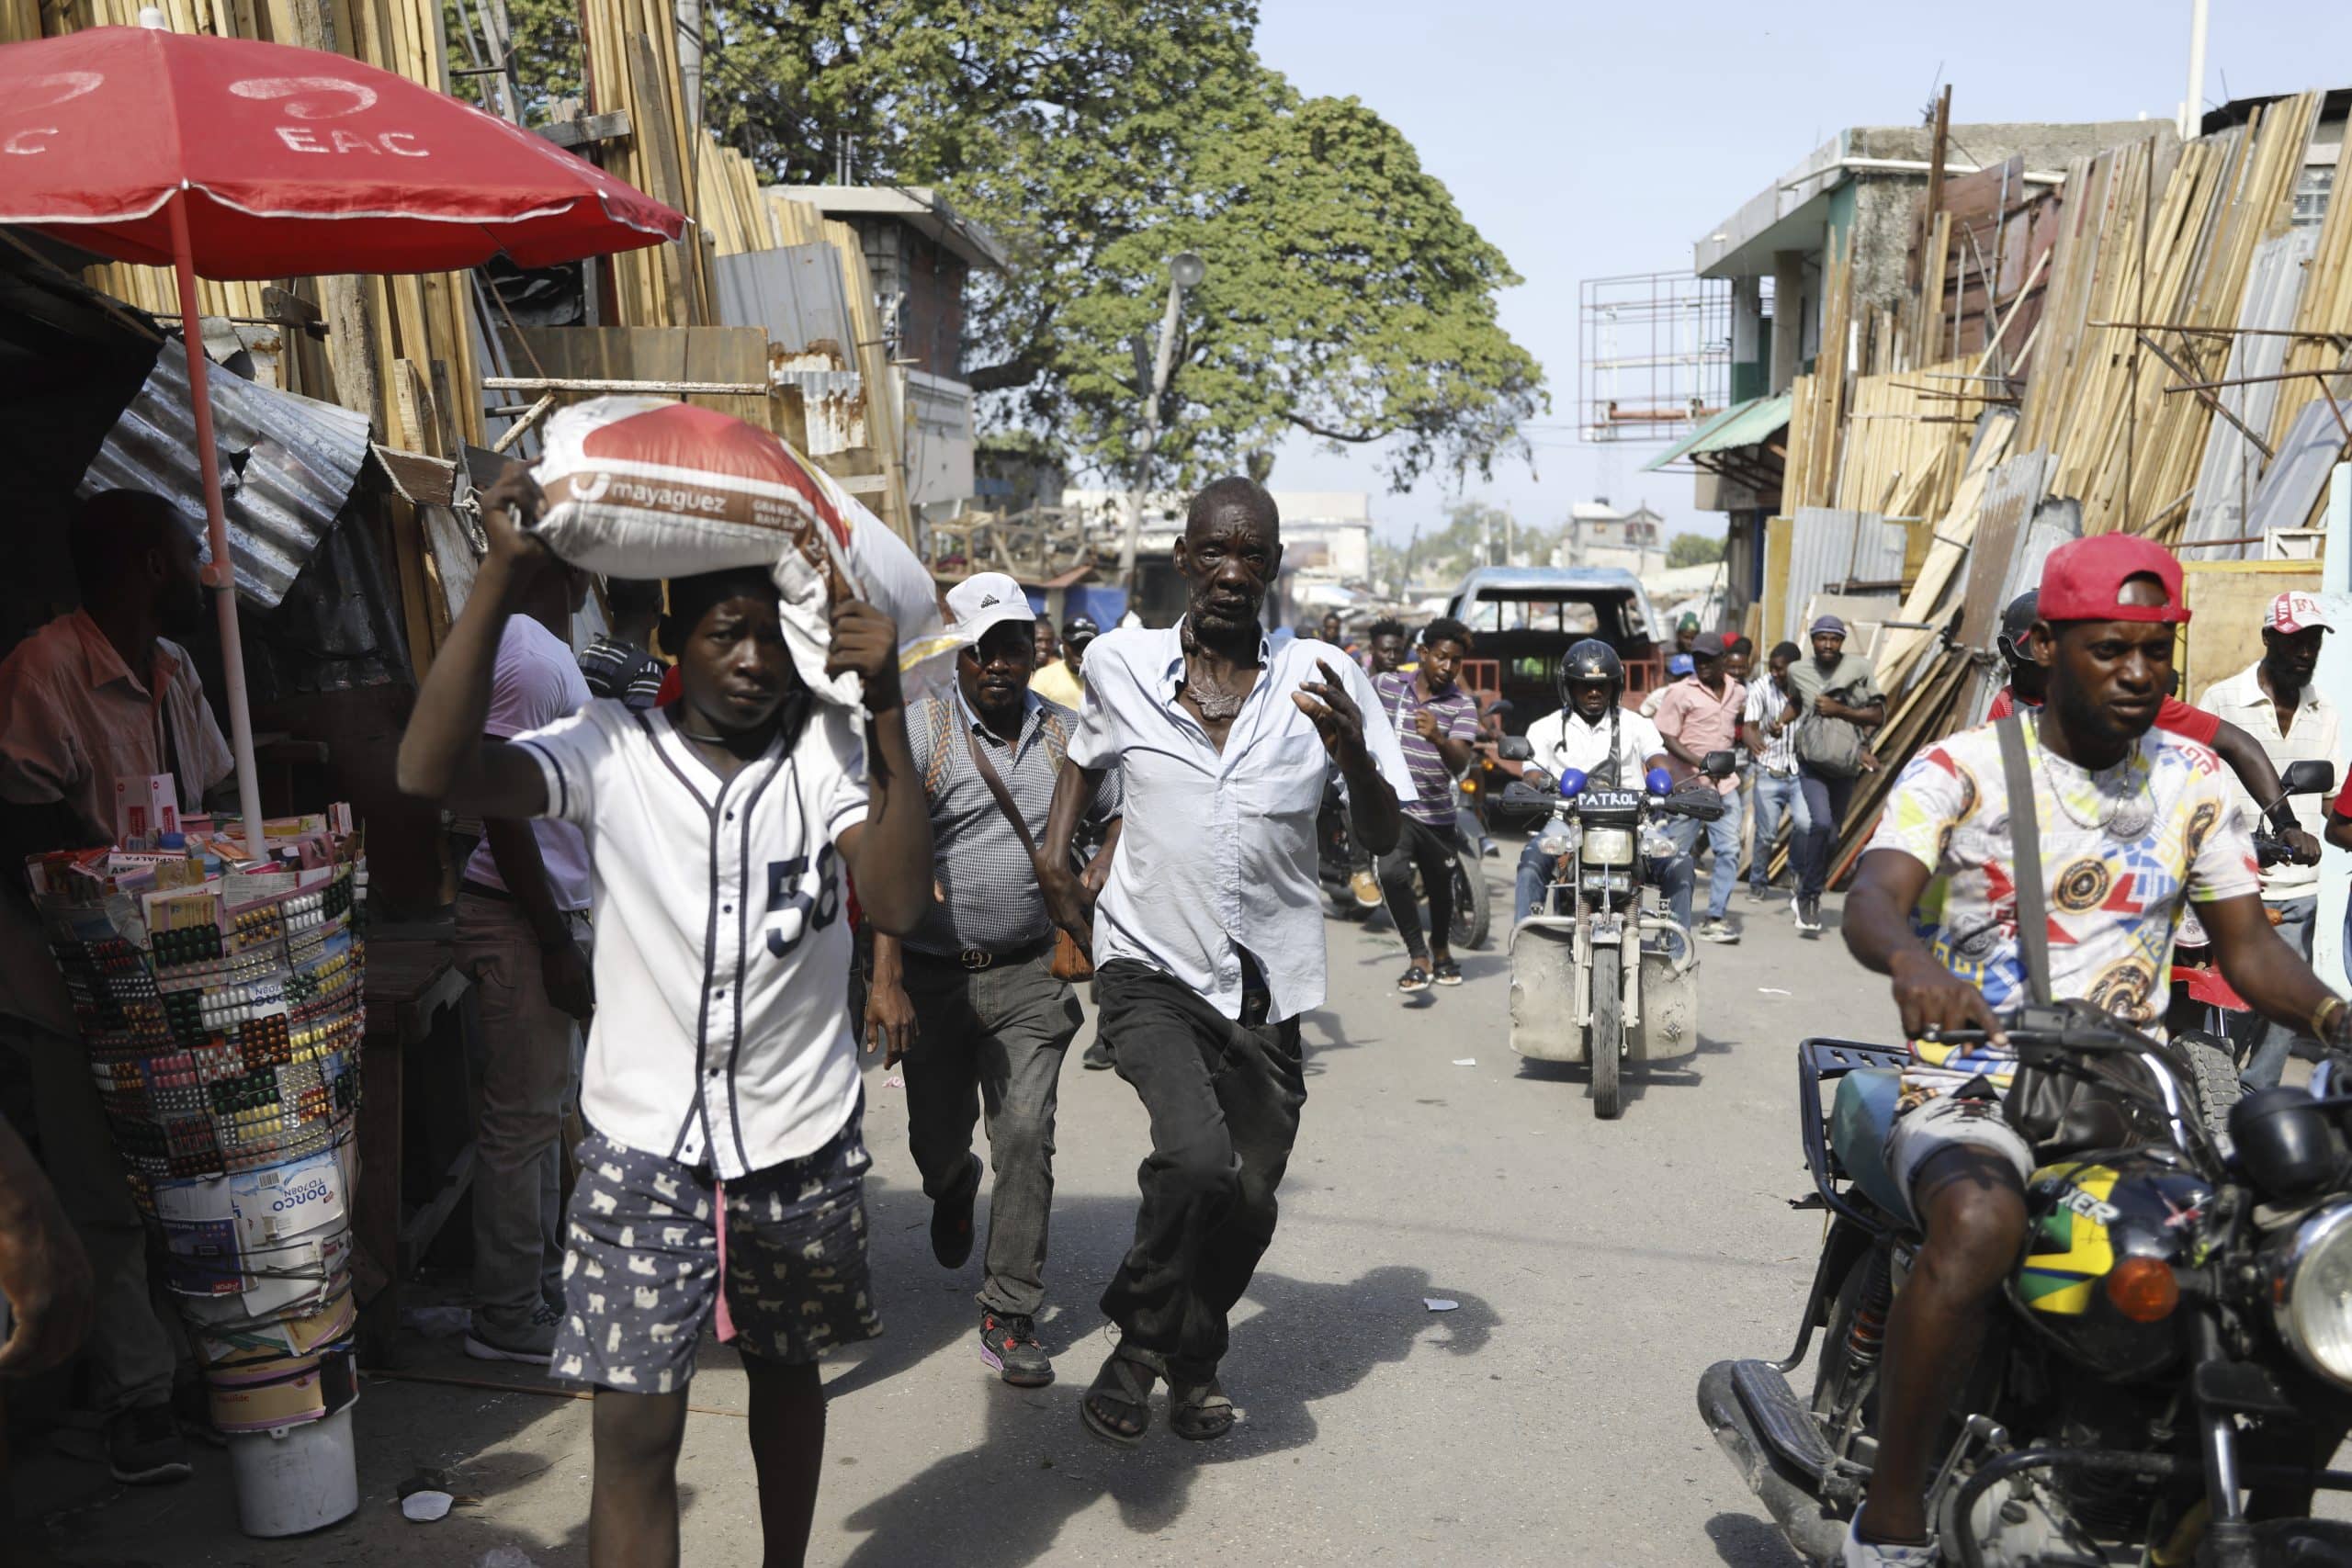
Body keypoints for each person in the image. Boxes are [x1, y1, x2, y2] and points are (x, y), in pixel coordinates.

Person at [395, 466, 933, 1568]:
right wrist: (502, 573)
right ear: (672, 638)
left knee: (788, 1376)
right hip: (644, 1151)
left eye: (774, 638)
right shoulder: (608, 745)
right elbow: (429, 769)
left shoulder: (827, 754)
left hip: (799, 1139)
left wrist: (885, 709)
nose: (753, 662)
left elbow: (898, 897)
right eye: (726, 634)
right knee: (634, 1436)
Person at [1836, 535, 2352, 1567]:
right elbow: (1873, 898)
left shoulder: (2193, 777)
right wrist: (1911, 966)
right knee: (1980, 1225)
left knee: (2273, 1268)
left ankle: (2179, 1507)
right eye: (2109, 649)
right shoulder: (1964, 769)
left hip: (2133, 1100)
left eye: (2156, 651)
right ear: (2047, 647)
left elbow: (2249, 951)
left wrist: (2336, 1019)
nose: (2137, 674)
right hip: (1976, 1087)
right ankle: (1888, 1527)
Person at [1034, 477, 1409, 1448]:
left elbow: (1383, 834)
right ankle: (1140, 1348)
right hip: (1147, 960)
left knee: (1246, 1199)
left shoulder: (1322, 675)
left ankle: (1185, 1355)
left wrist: (1354, 755)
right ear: (1185, 560)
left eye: (1253, 555)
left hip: (1267, 980)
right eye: (1216, 552)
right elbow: (1085, 753)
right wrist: (1055, 853)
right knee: (1196, 1160)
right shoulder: (1118, 661)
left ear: (1275, 567)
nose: (1233, 573)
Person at [0, 489, 232, 1485]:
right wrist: (115, 904)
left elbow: (212, 802)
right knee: (102, 1194)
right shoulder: (45, 670)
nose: (203, 571)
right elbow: (19, 838)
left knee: (185, 1178)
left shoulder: (175, 669)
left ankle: (192, 1373)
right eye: (189, 552)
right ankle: (141, 1399)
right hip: (69, 980)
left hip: (169, 973)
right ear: (147, 565)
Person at [864, 572, 1121, 1390]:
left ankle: (1010, 1310)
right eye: (983, 651)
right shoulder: (925, 732)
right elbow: (882, 855)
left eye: (1013, 645)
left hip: (1028, 976)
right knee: (936, 1144)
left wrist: (1095, 876)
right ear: (961, 661)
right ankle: (952, 1185)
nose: (1000, 664)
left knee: (1023, 1131)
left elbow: (1122, 805)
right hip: (936, 979)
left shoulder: (1067, 736)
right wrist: (886, 980)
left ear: (1032, 649)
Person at [456, 551, 597, 1364]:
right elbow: (500, 806)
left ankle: (535, 1289)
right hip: (521, 921)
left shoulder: (541, 648)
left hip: (545, 918)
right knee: (522, 1125)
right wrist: (551, 941)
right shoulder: (526, 653)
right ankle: (505, 1314)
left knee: (543, 1118)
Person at [2195, 591, 2338, 1088]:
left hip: (2300, 886)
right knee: (2230, 999)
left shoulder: (2326, 712)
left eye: (2314, 640)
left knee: (2288, 1011)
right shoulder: (2221, 700)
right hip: (2235, 880)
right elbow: (2197, 788)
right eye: (2296, 639)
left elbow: (2332, 801)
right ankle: (2215, 1088)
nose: (2305, 651)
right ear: (2268, 639)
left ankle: (2261, 1101)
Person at [1512, 638, 1696, 937]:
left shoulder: (1637, 724)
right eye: (1584, 685)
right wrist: (1527, 790)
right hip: (1566, 823)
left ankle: (1675, 956)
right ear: (1568, 687)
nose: (1594, 692)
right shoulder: (1543, 728)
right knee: (1532, 860)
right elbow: (1531, 773)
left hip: (1635, 824)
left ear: (1615, 686)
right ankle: (1523, 953)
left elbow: (1658, 759)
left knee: (1680, 863)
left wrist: (1672, 785)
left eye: (1603, 685)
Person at [1372, 618, 1481, 992]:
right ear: (1422, 654)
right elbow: (1356, 710)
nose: (1448, 668)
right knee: (1390, 874)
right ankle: (1418, 956)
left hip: (1438, 814)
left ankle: (1441, 947)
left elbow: (1460, 762)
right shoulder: (1387, 686)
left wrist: (1438, 737)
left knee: (1440, 887)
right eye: (1441, 658)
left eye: (1456, 662)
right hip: (1396, 809)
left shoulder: (1462, 706)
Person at [1784, 615, 1884, 935]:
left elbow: (1878, 714)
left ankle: (1806, 878)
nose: (1828, 644)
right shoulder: (1797, 670)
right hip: (1811, 761)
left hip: (1844, 763)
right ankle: (1809, 897)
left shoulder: (1860, 668)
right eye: (1821, 638)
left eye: (1835, 638)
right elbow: (1795, 703)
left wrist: (1840, 711)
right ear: (1812, 640)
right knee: (1820, 821)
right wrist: (1777, 722)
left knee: (1832, 835)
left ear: (1842, 642)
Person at [1651, 631, 1746, 943]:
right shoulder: (1680, 692)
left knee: (1730, 850)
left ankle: (1716, 917)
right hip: (1688, 787)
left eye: (1708, 659)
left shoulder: (1738, 692)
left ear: (1723, 661)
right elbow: (1666, 735)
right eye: (1697, 659)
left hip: (1725, 787)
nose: (1702, 664)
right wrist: (1699, 761)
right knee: (1676, 857)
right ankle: (1671, 921)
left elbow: (1743, 725)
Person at [1348, 617, 1412, 905]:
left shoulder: (1407, 685)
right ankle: (1359, 869)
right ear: (1373, 650)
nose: (1392, 657)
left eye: (1398, 651)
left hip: (1396, 765)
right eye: (1386, 651)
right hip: (1357, 761)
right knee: (1353, 798)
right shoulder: (1354, 678)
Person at [1741, 640, 1810, 902]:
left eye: (1781, 669)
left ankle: (1796, 874)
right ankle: (1758, 883)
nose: (1776, 673)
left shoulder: (1808, 687)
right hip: (1770, 769)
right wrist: (1752, 739)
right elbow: (1750, 725)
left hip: (1801, 771)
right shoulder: (1761, 687)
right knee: (1766, 833)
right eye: (1773, 668)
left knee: (1805, 824)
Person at [578, 577, 667, 709]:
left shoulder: (589, 654)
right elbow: (638, 729)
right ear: (658, 606)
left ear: (608, 603)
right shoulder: (646, 673)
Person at [1029, 613, 1096, 710]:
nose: (1081, 652)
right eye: (1075, 645)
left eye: (1087, 645)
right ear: (1063, 645)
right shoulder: (1044, 677)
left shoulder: (1104, 679)